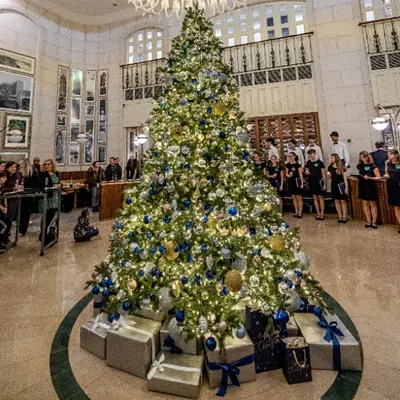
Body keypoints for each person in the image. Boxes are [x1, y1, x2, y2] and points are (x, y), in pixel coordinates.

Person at [37, 159, 60, 245]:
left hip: (55, 196)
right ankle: (43, 233)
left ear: (52, 165)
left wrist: (59, 185)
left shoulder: (56, 173)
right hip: (47, 196)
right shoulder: (42, 174)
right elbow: (41, 185)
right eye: (45, 164)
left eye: (48, 164)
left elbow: (58, 181)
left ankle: (46, 232)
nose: (47, 166)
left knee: (52, 214)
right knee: (46, 216)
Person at [357, 151, 381, 229]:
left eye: (364, 157)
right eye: (361, 157)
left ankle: (374, 222)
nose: (363, 159)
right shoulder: (359, 166)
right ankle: (368, 221)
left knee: (372, 204)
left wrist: (370, 178)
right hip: (362, 186)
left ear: (367, 157)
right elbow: (360, 174)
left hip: (370, 186)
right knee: (365, 204)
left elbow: (378, 177)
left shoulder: (373, 166)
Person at [305, 149, 326, 220]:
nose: (311, 155)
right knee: (315, 198)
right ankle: (318, 213)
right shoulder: (308, 162)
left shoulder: (320, 162)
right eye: (309, 154)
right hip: (312, 181)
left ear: (315, 153)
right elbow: (307, 171)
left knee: (321, 198)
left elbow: (323, 173)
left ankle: (322, 213)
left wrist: (324, 183)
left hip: (319, 182)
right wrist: (306, 172)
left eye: (312, 154)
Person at [328, 154, 349, 223]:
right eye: (330, 158)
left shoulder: (341, 167)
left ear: (336, 158)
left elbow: (345, 178)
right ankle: (340, 216)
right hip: (334, 185)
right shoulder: (330, 167)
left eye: (332, 158)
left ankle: (344, 217)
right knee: (336, 201)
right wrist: (329, 177)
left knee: (343, 201)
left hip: (341, 185)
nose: (330, 159)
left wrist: (346, 188)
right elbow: (330, 177)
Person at [18, 158, 36, 236]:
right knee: (25, 213)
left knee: (23, 212)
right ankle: (22, 229)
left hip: (25, 194)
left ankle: (22, 229)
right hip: (29, 195)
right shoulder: (32, 172)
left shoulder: (26, 174)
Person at [384, 149, 400, 233]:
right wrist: (386, 175)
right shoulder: (387, 163)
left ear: (396, 155)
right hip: (391, 186)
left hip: (399, 186)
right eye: (388, 154)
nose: (389, 155)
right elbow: (386, 172)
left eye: (390, 154)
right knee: (396, 207)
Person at [286, 152, 304, 218]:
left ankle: (300, 212)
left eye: (291, 156)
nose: (290, 158)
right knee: (293, 197)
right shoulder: (288, 165)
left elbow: (300, 175)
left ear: (294, 156)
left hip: (297, 182)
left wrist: (302, 183)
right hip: (291, 182)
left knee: (299, 198)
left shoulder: (298, 165)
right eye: (289, 156)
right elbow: (286, 174)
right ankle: (296, 211)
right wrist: (289, 175)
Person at [0, 172, 12, 252]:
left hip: (2, 210)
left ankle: (2, 241)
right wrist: (1, 208)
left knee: (7, 223)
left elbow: (4, 197)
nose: (6, 179)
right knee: (4, 225)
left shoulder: (2, 187)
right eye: (3, 178)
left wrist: (5, 207)